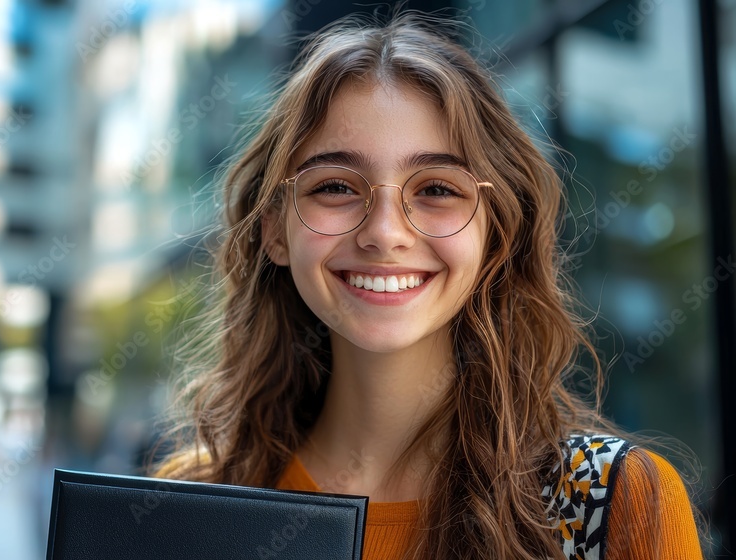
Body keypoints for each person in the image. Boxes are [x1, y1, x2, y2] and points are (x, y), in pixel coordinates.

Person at [150, 11, 705, 560]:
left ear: (497, 230)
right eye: (337, 186)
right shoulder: (184, 502)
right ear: (274, 229)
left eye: (437, 188)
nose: (385, 233)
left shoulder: (615, 506)